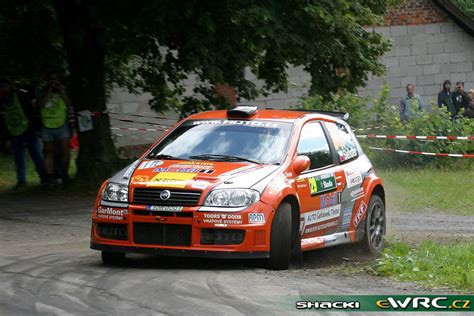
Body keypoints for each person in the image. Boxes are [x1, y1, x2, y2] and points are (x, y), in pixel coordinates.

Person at [0, 78, 46, 189]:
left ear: (9, 85)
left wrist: (34, 127)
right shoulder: (2, 99)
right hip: (14, 131)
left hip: (27, 129)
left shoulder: (20, 95)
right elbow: (3, 119)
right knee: (19, 156)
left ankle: (44, 178)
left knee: (36, 153)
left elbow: (30, 110)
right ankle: (22, 180)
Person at [38, 73, 72, 185]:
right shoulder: (42, 91)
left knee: (65, 151)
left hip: (62, 124)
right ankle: (50, 177)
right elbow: (41, 105)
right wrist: (49, 90)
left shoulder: (62, 90)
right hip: (47, 125)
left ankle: (64, 175)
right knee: (48, 152)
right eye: (51, 80)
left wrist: (61, 90)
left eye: (55, 80)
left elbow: (68, 104)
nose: (53, 82)